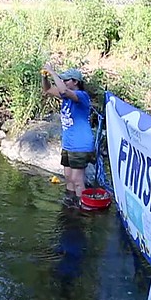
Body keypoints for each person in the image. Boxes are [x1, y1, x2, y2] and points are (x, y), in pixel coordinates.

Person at [42, 63, 95, 207]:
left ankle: (82, 209)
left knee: (78, 181)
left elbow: (64, 91)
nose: (63, 82)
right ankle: (70, 208)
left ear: (75, 82)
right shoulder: (65, 96)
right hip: (69, 144)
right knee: (68, 178)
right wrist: (44, 76)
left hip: (80, 144)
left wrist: (53, 72)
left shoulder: (81, 96)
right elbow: (47, 89)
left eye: (66, 80)